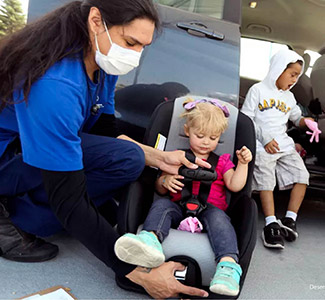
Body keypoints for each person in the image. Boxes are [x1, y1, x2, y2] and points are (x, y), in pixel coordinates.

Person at [0, 0, 211, 298]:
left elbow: (104, 134)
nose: (135, 57)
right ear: (96, 21)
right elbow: (71, 200)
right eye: (130, 42)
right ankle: (9, 212)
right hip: (7, 159)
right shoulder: (56, 84)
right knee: (120, 167)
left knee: (127, 164)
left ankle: (32, 215)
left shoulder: (101, 62)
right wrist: (137, 274)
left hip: (30, 155)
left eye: (143, 47)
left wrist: (160, 158)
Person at [114, 98, 253, 296]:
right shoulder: (176, 156)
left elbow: (236, 185)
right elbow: (160, 189)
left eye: (213, 138)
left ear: (220, 137)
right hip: (178, 206)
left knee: (220, 220)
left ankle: (228, 266)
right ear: (187, 131)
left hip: (210, 211)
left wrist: (243, 164)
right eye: (200, 135)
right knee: (162, 206)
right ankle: (149, 241)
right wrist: (165, 182)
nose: (206, 142)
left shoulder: (222, 162)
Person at [241, 49, 310, 250]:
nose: (295, 80)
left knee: (301, 176)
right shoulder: (258, 90)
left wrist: (309, 123)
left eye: (298, 76)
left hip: (284, 144)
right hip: (262, 144)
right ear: (278, 70)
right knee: (266, 180)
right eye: (292, 74)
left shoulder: (289, 97)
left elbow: (297, 118)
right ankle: (270, 223)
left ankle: (289, 220)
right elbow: (247, 119)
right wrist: (264, 137)